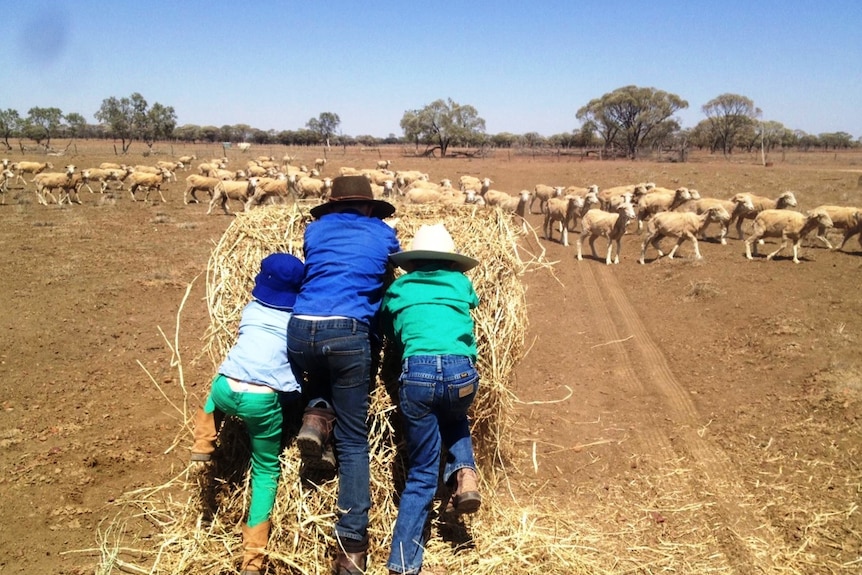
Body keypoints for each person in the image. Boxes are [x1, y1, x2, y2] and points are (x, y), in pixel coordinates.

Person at [286, 175, 400, 575]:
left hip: (299, 330)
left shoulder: (314, 229)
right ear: (369, 207)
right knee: (354, 443)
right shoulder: (383, 233)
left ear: (333, 205)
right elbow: (391, 268)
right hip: (348, 332)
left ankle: (316, 415)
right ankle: (352, 547)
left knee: (319, 370)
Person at [190, 252, 305, 575]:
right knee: (265, 473)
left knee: (222, 376)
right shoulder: (295, 322)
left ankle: (203, 441)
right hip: (261, 402)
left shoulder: (250, 310)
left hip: (225, 392)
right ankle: (253, 558)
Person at [381, 223, 482, 575]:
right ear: (449, 261)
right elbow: (470, 310)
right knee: (456, 414)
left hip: (419, 374)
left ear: (413, 261)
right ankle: (465, 473)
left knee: (423, 474)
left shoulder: (398, 288)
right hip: (462, 373)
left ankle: (403, 565)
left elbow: (394, 334)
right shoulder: (460, 283)